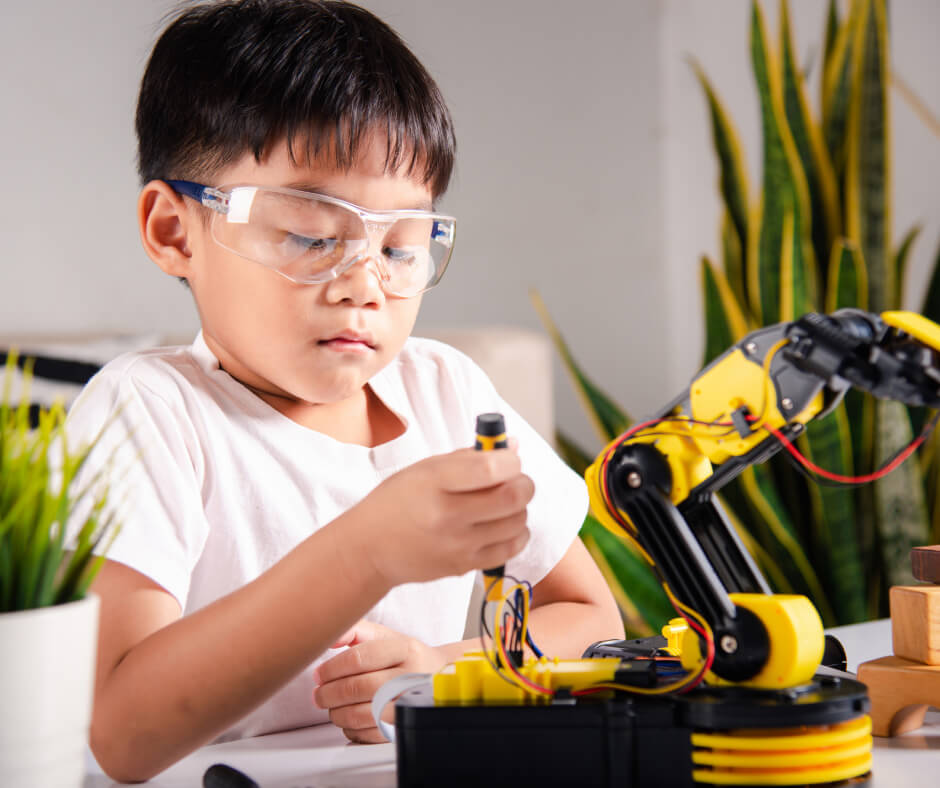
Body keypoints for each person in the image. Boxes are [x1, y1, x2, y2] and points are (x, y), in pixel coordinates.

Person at [67, 0, 623, 782]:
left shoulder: (444, 391)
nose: (365, 284)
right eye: (311, 235)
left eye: (401, 246)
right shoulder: (149, 413)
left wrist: (438, 666)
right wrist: (366, 552)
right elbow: (120, 734)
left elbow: (590, 618)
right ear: (173, 231)